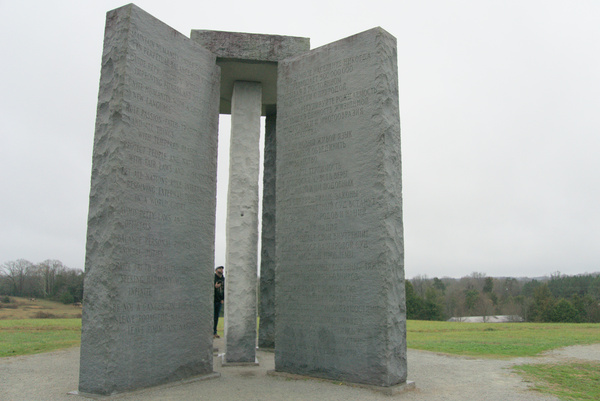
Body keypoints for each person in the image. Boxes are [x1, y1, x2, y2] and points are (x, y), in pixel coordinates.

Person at [213, 266, 225, 338]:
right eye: (220, 269)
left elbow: (224, 290)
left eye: (222, 269)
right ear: (216, 270)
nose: (221, 270)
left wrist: (223, 299)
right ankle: (211, 332)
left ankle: (214, 332)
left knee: (216, 317)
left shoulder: (223, 279)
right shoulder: (213, 278)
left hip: (219, 301)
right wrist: (215, 286)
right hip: (213, 300)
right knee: (212, 317)